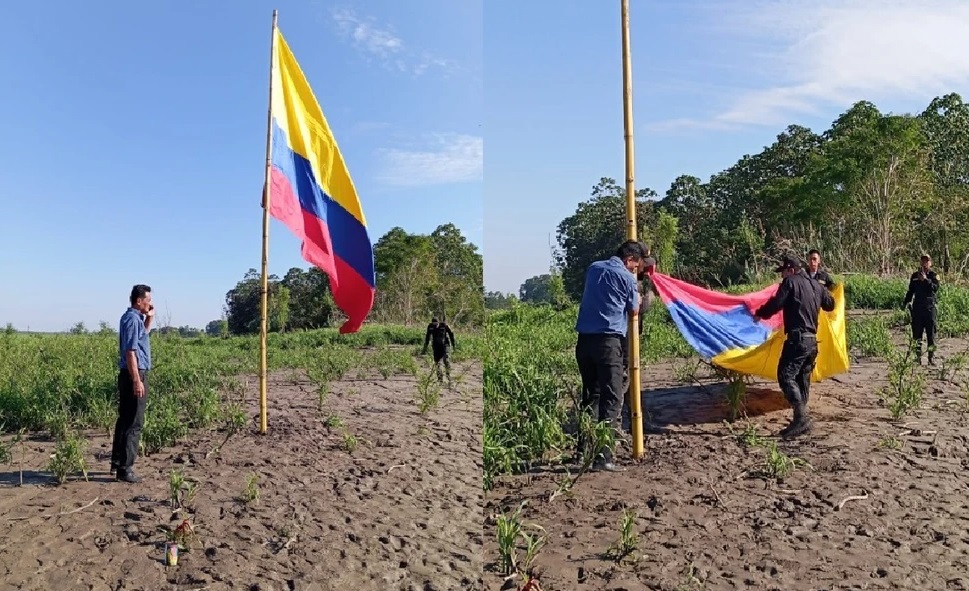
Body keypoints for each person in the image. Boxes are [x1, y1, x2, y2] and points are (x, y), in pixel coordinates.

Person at [574, 240, 647, 471]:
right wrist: (639, 294)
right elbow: (634, 309)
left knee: (590, 396)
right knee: (612, 398)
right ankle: (603, 457)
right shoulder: (627, 277)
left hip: (584, 342)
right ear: (630, 260)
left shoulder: (593, 268)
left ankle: (582, 451)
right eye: (636, 265)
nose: (636, 269)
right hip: (608, 343)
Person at [755, 255, 834, 438]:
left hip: (797, 340)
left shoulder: (790, 282)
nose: (781, 276)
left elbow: (776, 304)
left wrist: (760, 314)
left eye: (782, 272)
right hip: (812, 342)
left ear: (790, 269)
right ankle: (800, 421)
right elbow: (830, 305)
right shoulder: (816, 285)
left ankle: (801, 418)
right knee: (802, 378)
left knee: (785, 376)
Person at [111, 284, 154, 483]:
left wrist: (149, 319)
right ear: (139, 301)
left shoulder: (135, 319)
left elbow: (140, 339)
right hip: (133, 374)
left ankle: (118, 463)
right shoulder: (130, 319)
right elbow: (130, 352)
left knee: (125, 419)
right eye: (148, 300)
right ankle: (125, 469)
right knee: (134, 422)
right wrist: (137, 380)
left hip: (131, 373)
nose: (150, 303)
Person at [902, 254, 940, 365]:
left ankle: (931, 358)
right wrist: (905, 303)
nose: (924, 263)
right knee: (916, 335)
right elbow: (910, 291)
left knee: (931, 335)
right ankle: (917, 358)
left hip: (929, 309)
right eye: (923, 261)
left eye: (927, 261)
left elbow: (935, 288)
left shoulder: (934, 276)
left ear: (930, 263)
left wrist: (925, 280)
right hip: (917, 309)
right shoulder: (914, 276)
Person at [422, 317, 456, 386]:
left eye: (436, 324)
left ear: (438, 323)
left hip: (445, 345)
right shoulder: (430, 327)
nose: (435, 326)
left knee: (446, 360)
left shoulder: (444, 325)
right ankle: (440, 379)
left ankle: (449, 377)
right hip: (436, 346)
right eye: (433, 324)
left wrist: (454, 345)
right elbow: (427, 337)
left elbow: (451, 334)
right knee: (437, 363)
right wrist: (424, 348)